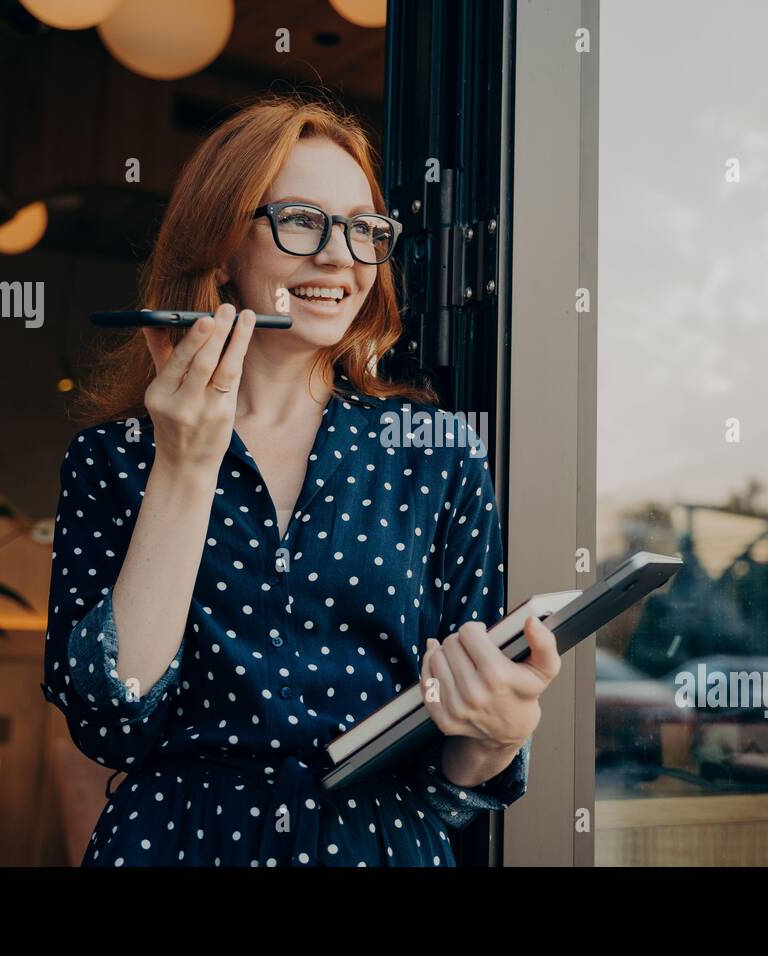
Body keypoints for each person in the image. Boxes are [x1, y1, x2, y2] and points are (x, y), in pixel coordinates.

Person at [40, 92, 562, 867]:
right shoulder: (113, 459)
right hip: (177, 845)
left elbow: (458, 779)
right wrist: (184, 464)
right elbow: (113, 721)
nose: (339, 257)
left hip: (379, 848)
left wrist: (498, 734)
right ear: (220, 246)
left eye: (362, 229)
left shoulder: (438, 452)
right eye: (301, 221)